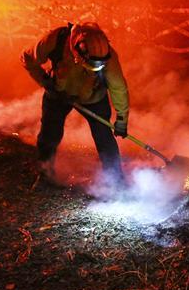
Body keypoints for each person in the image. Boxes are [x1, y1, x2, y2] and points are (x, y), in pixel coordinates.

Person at [21, 22, 129, 186]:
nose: (97, 67)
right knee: (49, 134)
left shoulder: (107, 55)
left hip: (93, 97)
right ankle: (45, 173)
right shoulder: (54, 40)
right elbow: (27, 57)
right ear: (78, 50)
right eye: (93, 64)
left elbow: (118, 87)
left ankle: (115, 181)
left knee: (104, 137)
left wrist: (121, 120)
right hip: (58, 93)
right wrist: (45, 81)